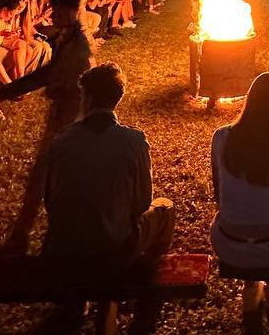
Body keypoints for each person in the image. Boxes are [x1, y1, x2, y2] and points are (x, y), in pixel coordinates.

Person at [0, 0, 94, 254]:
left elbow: (55, 78)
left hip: (70, 116)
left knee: (49, 176)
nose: (52, 16)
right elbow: (48, 73)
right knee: (47, 177)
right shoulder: (68, 37)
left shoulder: (78, 45)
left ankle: (36, 238)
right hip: (64, 112)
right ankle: (28, 235)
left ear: (70, 11)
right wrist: (1, 93)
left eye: (57, 11)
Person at [43, 64, 174, 264]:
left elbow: (50, 201)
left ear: (87, 99)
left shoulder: (62, 141)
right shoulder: (133, 141)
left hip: (63, 250)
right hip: (112, 252)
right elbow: (143, 202)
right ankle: (149, 272)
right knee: (165, 207)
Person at [211, 72, 269, 314]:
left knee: (246, 212)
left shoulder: (221, 136)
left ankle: (250, 288)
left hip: (228, 243)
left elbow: (219, 194)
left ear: (249, 100)